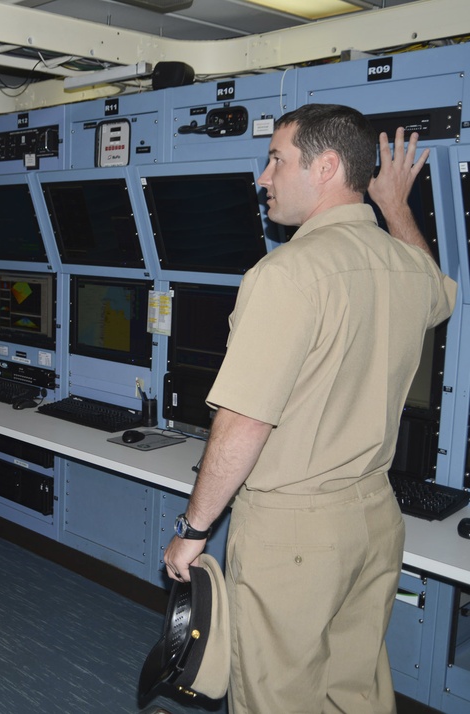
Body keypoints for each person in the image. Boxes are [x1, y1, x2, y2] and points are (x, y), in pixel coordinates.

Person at [162, 106, 456, 713]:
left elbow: (246, 419)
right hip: (375, 517)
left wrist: (193, 532)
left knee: (277, 696)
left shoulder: (286, 273)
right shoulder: (400, 265)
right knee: (355, 690)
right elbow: (436, 292)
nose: (262, 177)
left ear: (325, 167)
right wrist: (394, 205)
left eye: (276, 158)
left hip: (293, 531)